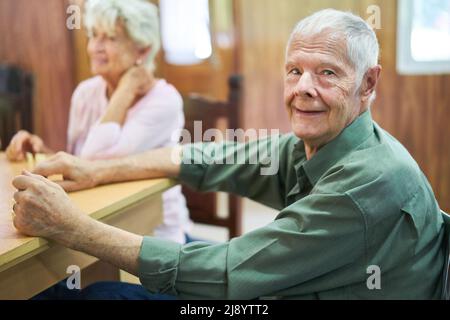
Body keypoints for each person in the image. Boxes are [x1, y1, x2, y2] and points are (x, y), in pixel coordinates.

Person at [12, 9, 446, 299]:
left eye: (327, 73)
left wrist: (72, 227)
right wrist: (94, 170)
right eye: (295, 70)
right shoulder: (328, 142)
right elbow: (215, 159)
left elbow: (229, 274)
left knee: (101, 295)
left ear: (368, 84)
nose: (303, 89)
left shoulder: (368, 182)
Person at [6, 0, 192, 245]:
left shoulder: (164, 100)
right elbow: (80, 166)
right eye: (94, 35)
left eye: (111, 38)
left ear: (143, 50)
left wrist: (126, 89)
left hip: (151, 234)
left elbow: (95, 161)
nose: (96, 47)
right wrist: (44, 152)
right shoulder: (86, 92)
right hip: (97, 220)